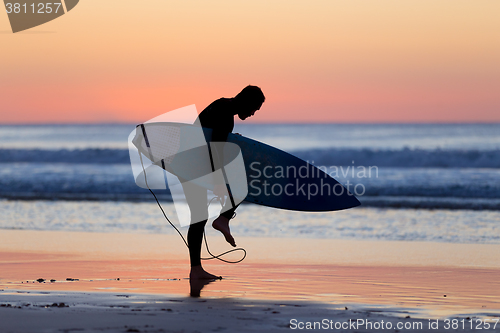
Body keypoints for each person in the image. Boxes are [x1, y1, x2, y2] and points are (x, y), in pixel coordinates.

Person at [186, 85, 265, 281]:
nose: (253, 113)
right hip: (194, 164)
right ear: (246, 102)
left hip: (191, 161)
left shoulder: (223, 108)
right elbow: (216, 150)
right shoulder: (224, 114)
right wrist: (219, 182)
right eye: (254, 108)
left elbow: (214, 140)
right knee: (244, 184)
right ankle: (223, 219)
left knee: (199, 216)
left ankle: (196, 268)